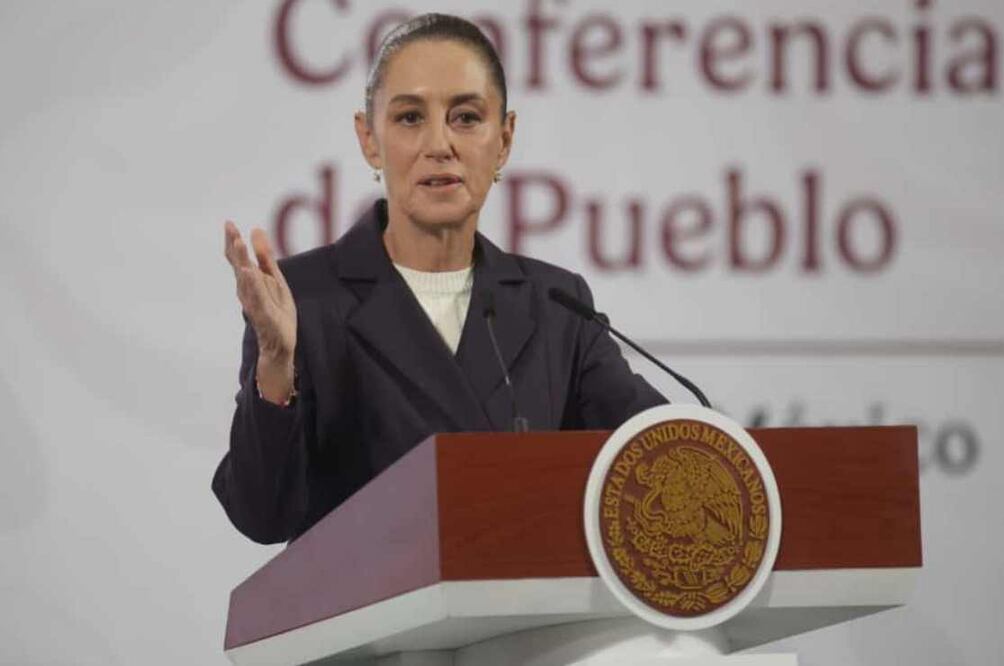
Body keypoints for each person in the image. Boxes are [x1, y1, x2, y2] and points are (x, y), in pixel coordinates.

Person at [213, 13, 666, 544]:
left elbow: (658, 455)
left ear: (505, 138)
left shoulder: (557, 304)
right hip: (374, 625)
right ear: (369, 140)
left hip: (522, 621)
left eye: (466, 117)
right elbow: (262, 517)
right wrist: (276, 364)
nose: (439, 144)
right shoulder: (304, 299)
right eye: (409, 118)